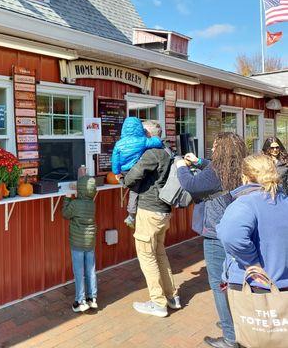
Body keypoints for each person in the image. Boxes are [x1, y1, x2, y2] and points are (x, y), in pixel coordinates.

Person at [176, 132, 247, 348]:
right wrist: (199, 162)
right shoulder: (242, 167)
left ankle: (230, 336)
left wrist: (180, 165)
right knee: (235, 281)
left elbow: (190, 183)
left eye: (215, 147)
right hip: (237, 231)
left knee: (219, 283)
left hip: (216, 233)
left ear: (221, 150)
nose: (213, 150)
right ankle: (235, 324)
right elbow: (211, 171)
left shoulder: (215, 172)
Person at [123, 120, 179, 318]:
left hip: (149, 210)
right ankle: (172, 297)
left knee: (147, 256)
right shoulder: (168, 151)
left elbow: (131, 178)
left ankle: (158, 303)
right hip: (164, 210)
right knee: (159, 253)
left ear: (147, 135)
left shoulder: (151, 153)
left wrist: (121, 176)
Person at [217, 154, 288, 292]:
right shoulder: (284, 200)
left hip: (254, 287)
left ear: (245, 177)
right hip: (282, 286)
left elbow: (230, 236)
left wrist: (252, 264)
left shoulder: (245, 203)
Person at [111, 117, 164, 228]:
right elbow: (157, 141)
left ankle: (131, 215)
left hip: (125, 171)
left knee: (133, 190)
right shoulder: (142, 141)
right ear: (139, 129)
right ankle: (131, 215)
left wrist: (116, 172)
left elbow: (115, 159)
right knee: (134, 192)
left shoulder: (119, 144)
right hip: (136, 168)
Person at [62, 175, 98, 313]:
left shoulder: (75, 204)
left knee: (79, 271)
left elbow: (65, 213)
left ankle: (80, 301)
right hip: (90, 242)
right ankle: (92, 298)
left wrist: (67, 197)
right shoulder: (92, 203)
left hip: (77, 242)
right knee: (90, 270)